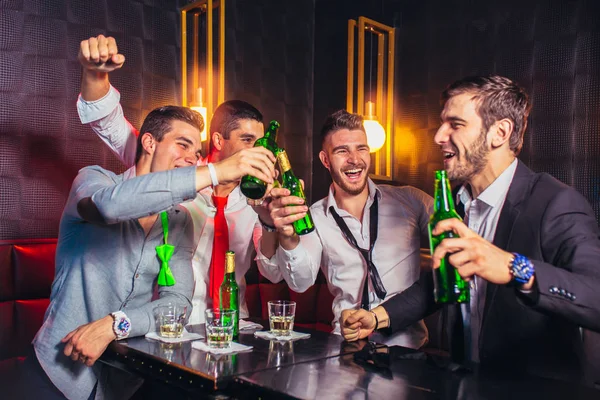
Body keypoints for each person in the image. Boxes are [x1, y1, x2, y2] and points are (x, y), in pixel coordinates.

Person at [340, 75, 600, 383]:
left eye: (455, 124)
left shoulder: (555, 202)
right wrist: (376, 317)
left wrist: (512, 266)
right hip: (468, 384)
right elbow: (438, 283)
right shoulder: (458, 206)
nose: (438, 135)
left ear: (500, 132)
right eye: (441, 123)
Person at [23, 101, 275, 399]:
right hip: (56, 374)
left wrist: (113, 325)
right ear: (148, 142)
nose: (190, 159)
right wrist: (216, 171)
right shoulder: (94, 181)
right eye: (182, 145)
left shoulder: (180, 219)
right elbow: (109, 207)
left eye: (196, 154)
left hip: (121, 383)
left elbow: (178, 303)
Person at [76, 35, 278, 324]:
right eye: (248, 141)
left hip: (233, 324)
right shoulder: (172, 166)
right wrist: (95, 75)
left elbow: (272, 272)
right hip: (167, 324)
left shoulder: (256, 196)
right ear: (219, 140)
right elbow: (110, 124)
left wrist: (273, 224)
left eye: (261, 144)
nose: (257, 151)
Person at [257, 109, 433, 348]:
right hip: (346, 347)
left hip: (408, 351)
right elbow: (300, 282)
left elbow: (458, 239)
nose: (355, 159)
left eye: (361, 148)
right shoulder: (314, 216)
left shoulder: (411, 201)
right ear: (325, 160)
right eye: (342, 151)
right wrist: (286, 236)